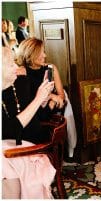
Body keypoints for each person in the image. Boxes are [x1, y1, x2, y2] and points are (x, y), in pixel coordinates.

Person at [2, 46, 56, 199]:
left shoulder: (20, 83)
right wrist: (39, 99)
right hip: (13, 149)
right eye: (11, 64)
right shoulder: (19, 82)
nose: (17, 67)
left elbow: (36, 116)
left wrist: (43, 101)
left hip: (19, 144)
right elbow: (11, 131)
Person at [15, 37, 65, 121]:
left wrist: (51, 104)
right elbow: (25, 103)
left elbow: (61, 96)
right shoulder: (21, 72)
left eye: (44, 52)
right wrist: (51, 96)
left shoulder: (50, 69)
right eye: (40, 53)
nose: (45, 56)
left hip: (49, 116)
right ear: (30, 54)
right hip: (30, 118)